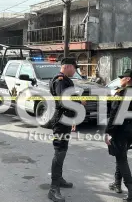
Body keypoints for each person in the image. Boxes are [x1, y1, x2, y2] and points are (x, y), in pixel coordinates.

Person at [47, 57, 86, 202]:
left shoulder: (63, 80)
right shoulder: (60, 80)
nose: (75, 71)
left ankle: (59, 179)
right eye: (74, 68)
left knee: (62, 150)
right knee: (59, 151)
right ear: (68, 66)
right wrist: (79, 101)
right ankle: (53, 189)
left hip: (65, 120)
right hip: (61, 121)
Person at [104, 69, 132, 201]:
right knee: (121, 155)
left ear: (128, 79)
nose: (120, 79)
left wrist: (108, 132)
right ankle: (116, 184)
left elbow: (115, 115)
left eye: (122, 77)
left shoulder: (121, 93)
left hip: (121, 129)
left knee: (121, 159)